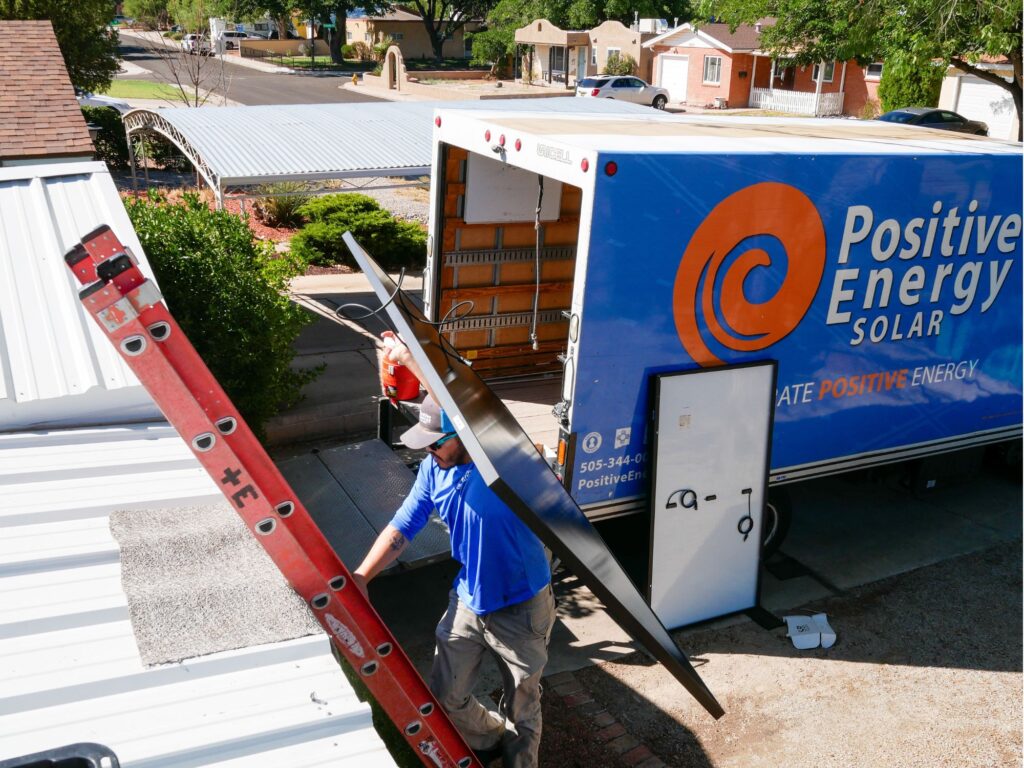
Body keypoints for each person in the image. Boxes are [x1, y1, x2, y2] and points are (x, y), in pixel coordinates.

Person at [353, 333, 555, 768]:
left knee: (523, 707)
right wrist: (360, 577)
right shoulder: (432, 468)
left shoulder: (498, 464)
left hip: (522, 606)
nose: (429, 450)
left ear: (462, 435)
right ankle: (490, 737)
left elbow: (462, 403)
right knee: (445, 696)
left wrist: (410, 358)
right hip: (468, 598)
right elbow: (404, 524)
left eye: (436, 441)